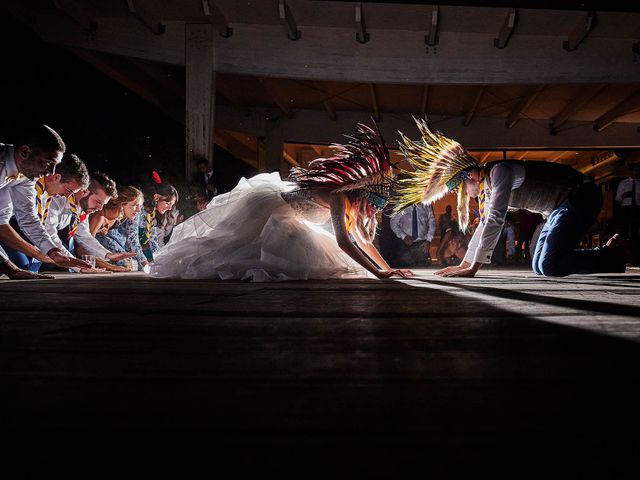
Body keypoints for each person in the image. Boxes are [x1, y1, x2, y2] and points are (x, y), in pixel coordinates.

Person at [150, 123, 414, 281]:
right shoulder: (340, 197)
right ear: (363, 196)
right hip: (271, 212)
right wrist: (380, 274)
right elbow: (345, 241)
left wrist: (389, 269)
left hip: (293, 221)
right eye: (373, 206)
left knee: (325, 262)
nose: (373, 213)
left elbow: (363, 240)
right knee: (234, 254)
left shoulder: (351, 207)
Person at [393, 117, 625, 278]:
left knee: (550, 264)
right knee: (539, 266)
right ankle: (605, 254)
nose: (457, 193)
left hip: (580, 196)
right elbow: (484, 224)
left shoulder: (498, 172)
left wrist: (473, 268)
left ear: (470, 175)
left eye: (458, 187)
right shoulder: (486, 187)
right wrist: (464, 264)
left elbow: (495, 219)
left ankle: (611, 257)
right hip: (557, 210)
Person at [0, 124, 88, 279]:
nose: (52, 173)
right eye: (48, 163)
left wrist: (52, 252)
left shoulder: (24, 176)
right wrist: (10, 268)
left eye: (55, 166)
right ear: (25, 152)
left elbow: (27, 218)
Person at [94, 186, 144, 270]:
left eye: (140, 206)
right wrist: (111, 266)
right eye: (135, 205)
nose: (139, 210)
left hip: (106, 261)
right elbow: (84, 248)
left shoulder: (118, 220)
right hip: (93, 263)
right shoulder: (99, 216)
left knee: (133, 263)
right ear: (122, 203)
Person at [390, 202, 435, 267]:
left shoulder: (426, 203)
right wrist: (404, 236)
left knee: (423, 271)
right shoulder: (402, 203)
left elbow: (431, 221)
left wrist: (428, 240)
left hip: (422, 244)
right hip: (405, 245)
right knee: (405, 271)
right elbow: (393, 222)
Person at [615, 162, 639, 265]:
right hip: (626, 209)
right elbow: (618, 198)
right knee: (623, 233)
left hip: (638, 209)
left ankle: (635, 257)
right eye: (635, 170)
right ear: (631, 171)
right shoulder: (623, 183)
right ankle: (622, 257)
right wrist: (626, 195)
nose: (637, 172)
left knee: (635, 233)